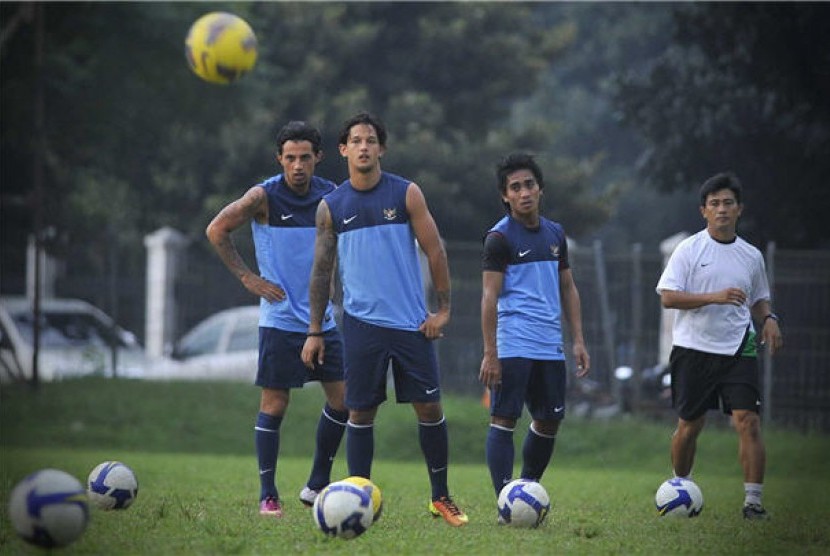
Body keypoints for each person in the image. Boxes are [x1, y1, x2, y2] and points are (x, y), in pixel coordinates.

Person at [301, 112, 468, 527]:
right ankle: (361, 498)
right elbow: (322, 272)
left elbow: (436, 253)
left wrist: (443, 310)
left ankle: (441, 498)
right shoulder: (331, 206)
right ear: (342, 150)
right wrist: (315, 329)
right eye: (355, 140)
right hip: (360, 326)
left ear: (381, 148)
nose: (363, 146)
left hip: (412, 325)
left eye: (370, 140)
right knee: (360, 413)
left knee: (429, 408)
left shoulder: (406, 193)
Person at [205, 121, 348, 518]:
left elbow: (336, 246)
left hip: (323, 321)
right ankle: (268, 494)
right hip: (281, 320)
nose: (298, 166)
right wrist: (248, 278)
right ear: (279, 159)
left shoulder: (331, 196)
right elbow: (217, 230)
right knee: (275, 402)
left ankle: (317, 484)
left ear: (318, 157)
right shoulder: (263, 196)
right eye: (290, 158)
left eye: (305, 157)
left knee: (344, 402)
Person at [656, 172, 783, 520]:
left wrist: (770, 319)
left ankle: (753, 503)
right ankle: (679, 487)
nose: (722, 209)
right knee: (689, 426)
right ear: (704, 211)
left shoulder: (751, 256)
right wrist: (715, 297)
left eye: (728, 203)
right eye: (715, 204)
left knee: (749, 421)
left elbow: (759, 300)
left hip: (739, 346)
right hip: (693, 349)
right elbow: (668, 298)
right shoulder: (689, 250)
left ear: (739, 209)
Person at [478, 152, 591, 518]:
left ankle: (523, 494)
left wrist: (578, 340)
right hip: (513, 343)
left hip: (550, 345)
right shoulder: (499, 238)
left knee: (548, 420)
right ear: (505, 197)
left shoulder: (556, 233)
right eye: (515, 187)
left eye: (529, 184)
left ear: (540, 189)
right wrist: (490, 353)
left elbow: (568, 288)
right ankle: (503, 501)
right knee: (504, 419)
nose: (524, 192)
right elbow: (489, 297)